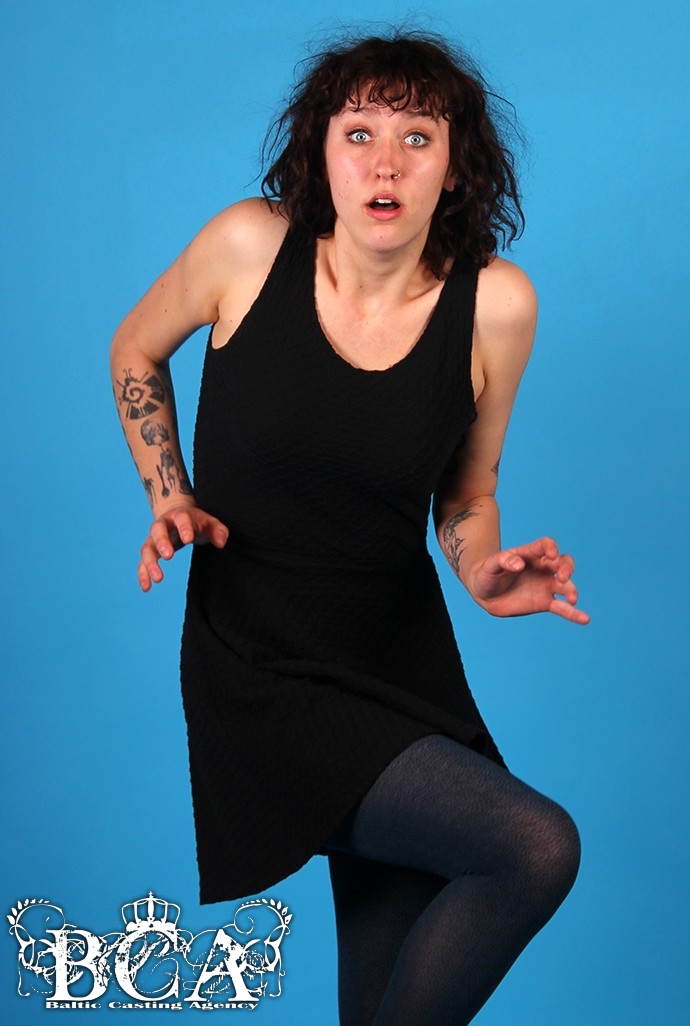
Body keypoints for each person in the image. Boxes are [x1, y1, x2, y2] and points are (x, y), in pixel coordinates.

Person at [111, 29, 589, 1026]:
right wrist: (169, 491)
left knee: (378, 994)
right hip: (261, 662)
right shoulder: (247, 248)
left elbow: (466, 495)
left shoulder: (496, 305)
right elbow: (136, 351)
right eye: (359, 132)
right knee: (534, 847)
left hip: (399, 662)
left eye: (418, 137)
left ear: (455, 164)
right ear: (319, 150)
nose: (385, 162)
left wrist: (487, 576)